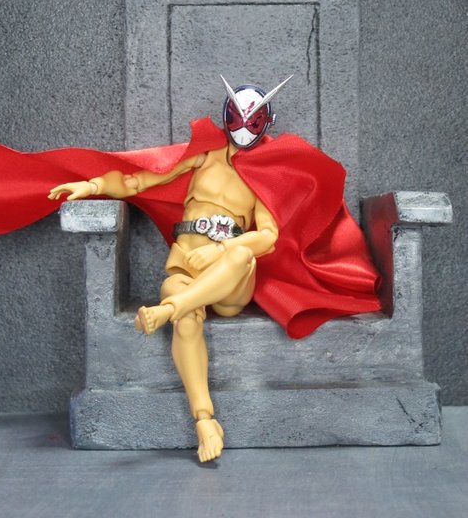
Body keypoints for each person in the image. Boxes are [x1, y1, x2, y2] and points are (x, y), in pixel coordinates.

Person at [46, 76, 381, 462]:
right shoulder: (204, 157)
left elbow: (268, 236)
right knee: (187, 320)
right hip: (185, 268)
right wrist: (92, 186)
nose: (243, 128)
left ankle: (169, 309)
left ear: (266, 122)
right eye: (236, 117)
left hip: (229, 280)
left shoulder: (263, 174)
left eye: (252, 120)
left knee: (239, 259)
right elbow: (139, 180)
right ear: (226, 115)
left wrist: (224, 249)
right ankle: (205, 420)